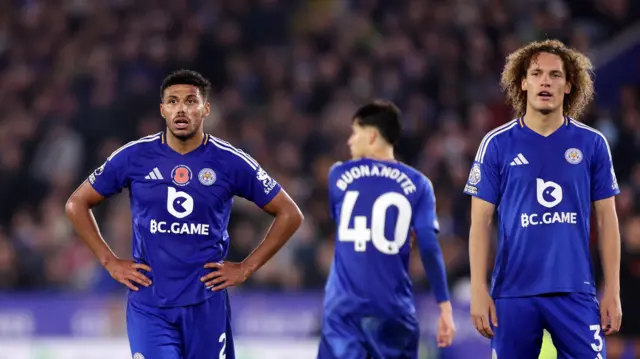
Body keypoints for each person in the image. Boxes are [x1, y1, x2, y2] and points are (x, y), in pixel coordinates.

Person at [65, 69, 303, 359]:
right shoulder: (134, 156)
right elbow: (76, 204)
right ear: (163, 110)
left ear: (205, 109)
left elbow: (290, 214)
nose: (181, 108)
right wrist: (110, 261)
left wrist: (246, 268)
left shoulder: (229, 161)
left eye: (191, 101)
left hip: (205, 303)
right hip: (149, 303)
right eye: (173, 101)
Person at [464, 39, 622, 358]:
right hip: (513, 293)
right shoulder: (496, 144)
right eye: (536, 73)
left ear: (568, 85)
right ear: (523, 83)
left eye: (555, 75)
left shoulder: (592, 144)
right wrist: (478, 289)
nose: (545, 81)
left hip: (575, 290)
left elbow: (607, 219)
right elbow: (480, 222)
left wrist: (613, 289)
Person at [318, 100, 456, 359]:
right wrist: (444, 306)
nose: (350, 141)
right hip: (394, 309)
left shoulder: (338, 176)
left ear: (371, 135)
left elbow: (344, 226)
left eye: (355, 132)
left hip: (345, 311)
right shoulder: (419, 184)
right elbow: (428, 247)